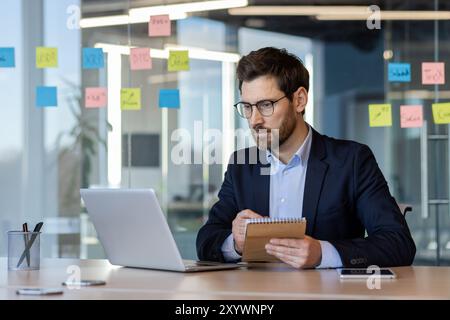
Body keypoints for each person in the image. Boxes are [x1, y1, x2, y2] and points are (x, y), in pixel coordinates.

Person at [196, 47, 416, 269]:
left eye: (265, 105)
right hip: (259, 300)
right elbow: (207, 240)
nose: (254, 120)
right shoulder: (242, 165)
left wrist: (323, 253)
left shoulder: (352, 161)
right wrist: (236, 243)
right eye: (247, 107)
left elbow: (398, 243)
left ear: (299, 100)